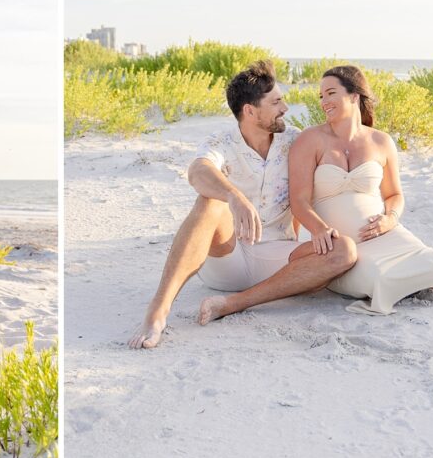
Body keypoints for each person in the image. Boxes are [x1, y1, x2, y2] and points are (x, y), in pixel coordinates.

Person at [129, 61, 358, 349]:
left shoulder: (295, 141)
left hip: (280, 261)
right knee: (209, 202)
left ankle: (233, 304)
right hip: (228, 258)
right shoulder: (221, 142)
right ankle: (158, 311)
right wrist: (233, 197)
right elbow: (197, 171)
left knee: (343, 251)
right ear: (250, 111)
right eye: (276, 102)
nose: (285, 108)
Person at [288, 65, 433, 315]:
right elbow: (298, 200)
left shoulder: (381, 141)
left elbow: (394, 195)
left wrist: (389, 220)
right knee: (378, 278)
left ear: (354, 96)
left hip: (385, 235)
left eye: (330, 93)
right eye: (321, 96)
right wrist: (319, 229)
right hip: (342, 248)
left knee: (429, 260)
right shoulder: (309, 140)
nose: (323, 102)